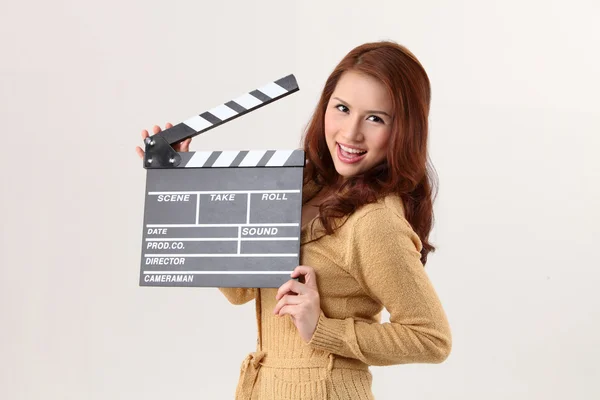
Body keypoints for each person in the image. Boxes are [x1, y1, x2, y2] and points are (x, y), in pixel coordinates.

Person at [136, 40, 451, 400]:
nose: (350, 133)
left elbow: (431, 338)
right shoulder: (300, 186)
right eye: (343, 108)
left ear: (404, 130)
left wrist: (323, 328)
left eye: (375, 118)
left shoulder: (374, 222)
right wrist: (186, 186)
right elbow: (240, 291)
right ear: (325, 106)